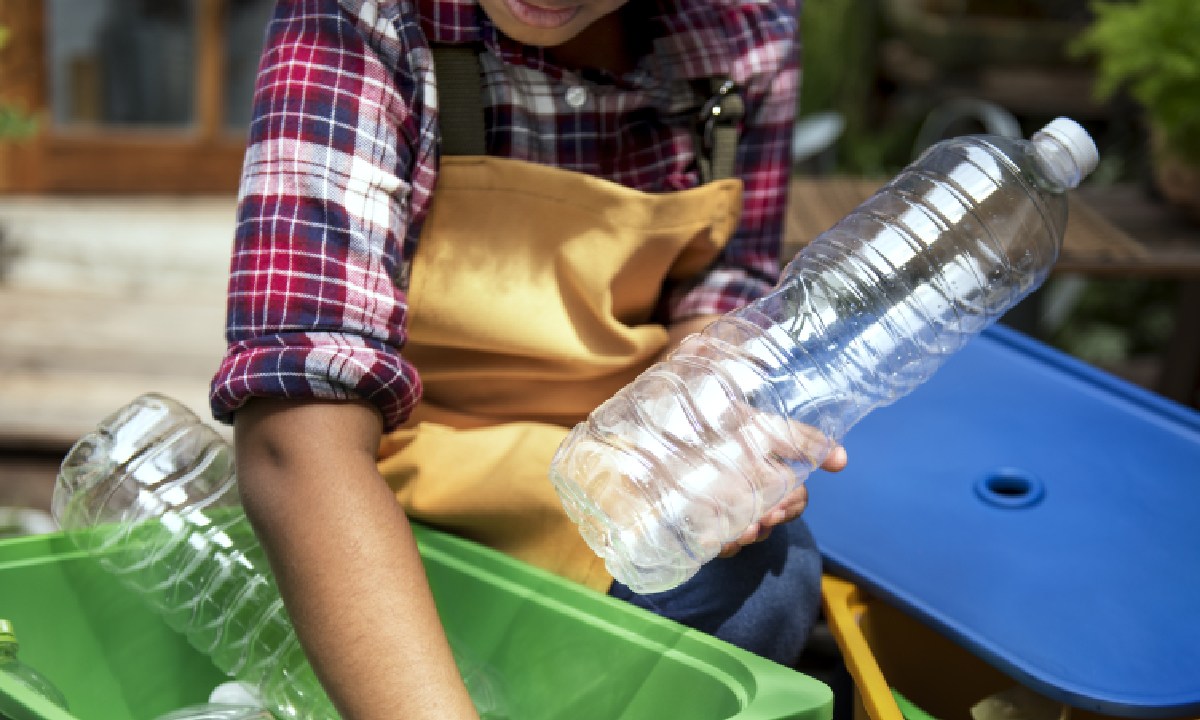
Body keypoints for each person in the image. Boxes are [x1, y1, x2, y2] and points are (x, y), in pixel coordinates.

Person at [210, 1, 847, 718]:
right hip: (394, 494)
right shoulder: (365, 19)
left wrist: (707, 429)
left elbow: (720, 287)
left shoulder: (744, 28)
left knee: (768, 574)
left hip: (602, 485)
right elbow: (294, 441)